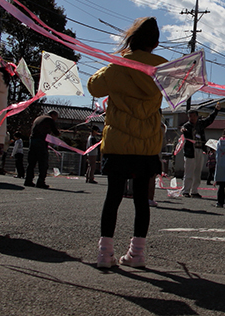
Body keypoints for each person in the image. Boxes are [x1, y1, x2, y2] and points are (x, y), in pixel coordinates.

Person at [88, 16, 167, 268]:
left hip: (118, 142)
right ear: (155, 43)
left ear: (132, 38)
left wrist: (115, 61)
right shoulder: (164, 69)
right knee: (142, 199)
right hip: (147, 144)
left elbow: (93, 87)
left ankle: (105, 254)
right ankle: (137, 254)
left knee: (113, 196)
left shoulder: (118, 65)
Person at [181, 102, 220, 198]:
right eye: (190, 116)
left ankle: (194, 191)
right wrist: (183, 131)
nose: (191, 118)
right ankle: (186, 190)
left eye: (193, 116)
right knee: (189, 172)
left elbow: (210, 120)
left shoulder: (200, 124)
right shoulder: (186, 126)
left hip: (199, 149)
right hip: (190, 151)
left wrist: (216, 110)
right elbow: (183, 130)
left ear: (197, 116)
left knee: (197, 172)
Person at [24, 110, 60, 189]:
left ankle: (28, 180)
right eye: (56, 117)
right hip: (41, 141)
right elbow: (55, 132)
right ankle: (41, 181)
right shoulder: (49, 119)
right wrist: (59, 133)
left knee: (31, 162)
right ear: (53, 115)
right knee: (43, 162)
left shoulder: (38, 118)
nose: (55, 119)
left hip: (32, 140)